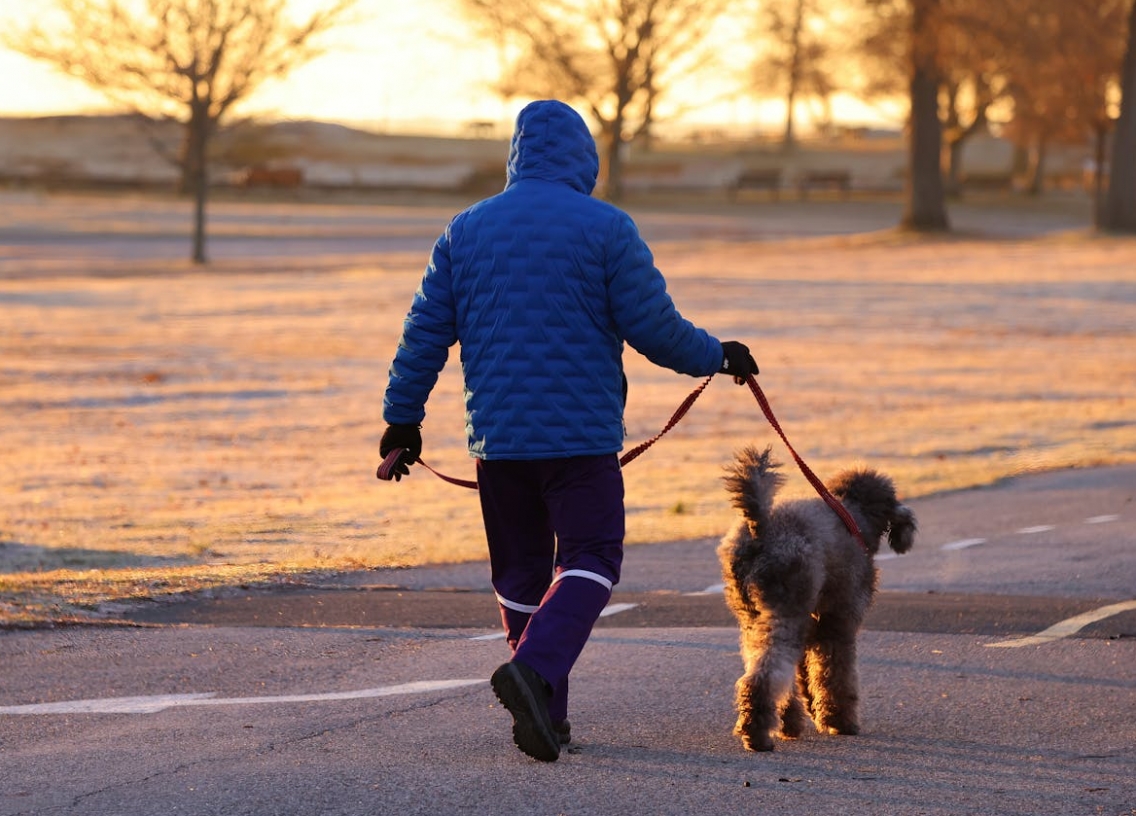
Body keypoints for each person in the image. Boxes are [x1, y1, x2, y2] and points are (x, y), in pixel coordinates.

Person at [378, 99, 758, 762]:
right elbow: (655, 329)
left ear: (516, 156)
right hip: (580, 441)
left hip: (499, 442)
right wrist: (717, 355)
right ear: (585, 158)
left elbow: (424, 336)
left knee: (522, 575)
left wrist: (401, 423)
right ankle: (533, 673)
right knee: (591, 558)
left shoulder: (464, 231)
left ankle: (546, 715)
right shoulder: (607, 228)